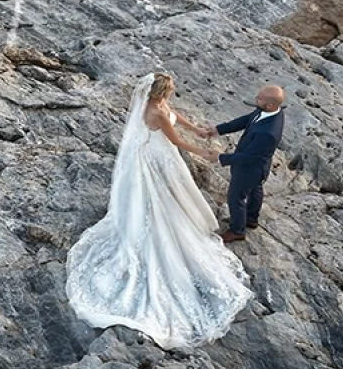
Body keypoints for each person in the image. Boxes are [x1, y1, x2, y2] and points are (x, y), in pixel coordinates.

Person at [65, 72, 254, 349]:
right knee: (159, 199)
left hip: (156, 152)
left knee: (171, 194)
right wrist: (203, 152)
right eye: (171, 88)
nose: (174, 90)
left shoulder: (158, 104)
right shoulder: (156, 112)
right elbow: (175, 141)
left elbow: (174, 113)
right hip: (157, 156)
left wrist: (198, 129)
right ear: (160, 92)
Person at [205, 85, 286, 244]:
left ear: (269, 105)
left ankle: (237, 230)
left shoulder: (269, 133)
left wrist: (221, 157)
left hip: (251, 168)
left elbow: (249, 157)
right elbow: (247, 120)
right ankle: (251, 219)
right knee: (256, 189)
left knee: (235, 197)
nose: (256, 99)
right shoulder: (270, 111)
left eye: (259, 98)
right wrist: (219, 129)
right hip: (258, 166)